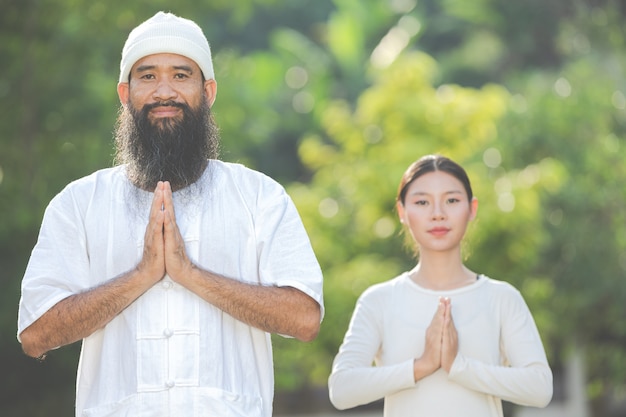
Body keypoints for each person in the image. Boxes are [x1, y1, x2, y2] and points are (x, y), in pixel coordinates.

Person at [17, 11, 324, 417]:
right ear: (125, 94)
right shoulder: (79, 203)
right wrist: (141, 276)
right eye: (147, 76)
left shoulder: (259, 197)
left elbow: (304, 318)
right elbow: (36, 334)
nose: (165, 91)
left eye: (181, 75)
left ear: (208, 91)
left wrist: (191, 275)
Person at [328, 155, 552, 416]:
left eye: (452, 200)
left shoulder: (501, 297)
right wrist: (421, 366)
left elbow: (540, 387)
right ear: (402, 211)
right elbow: (341, 389)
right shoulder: (379, 300)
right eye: (422, 202)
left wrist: (459, 367)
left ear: (472, 208)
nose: (438, 214)